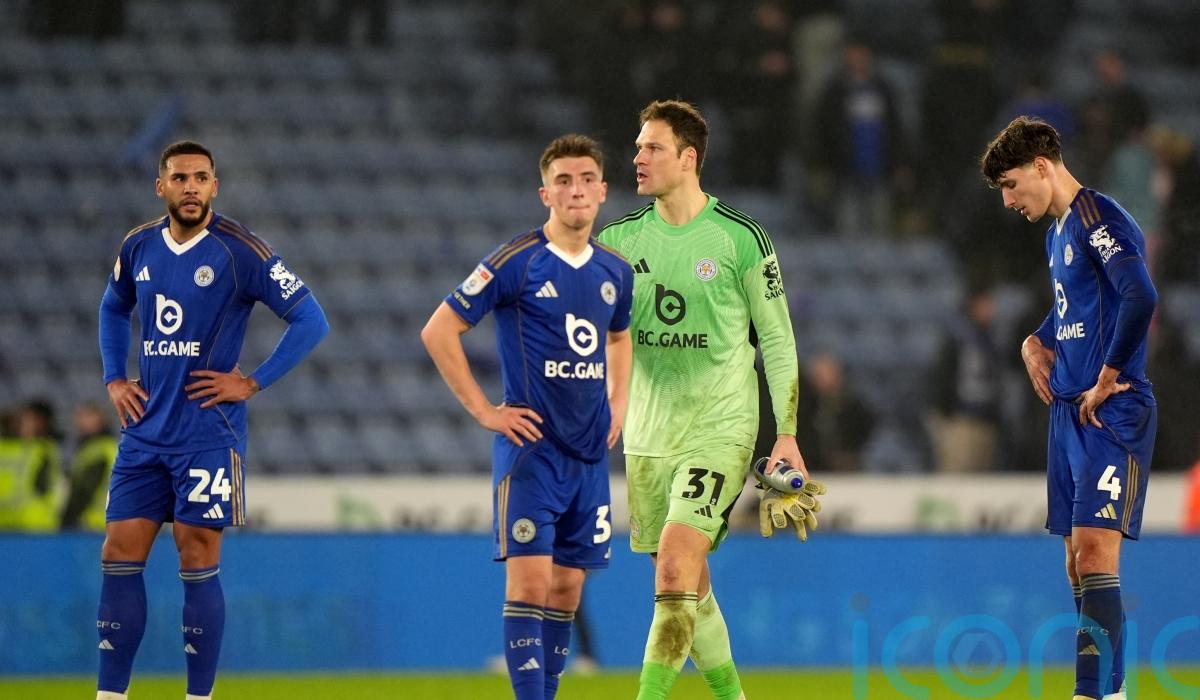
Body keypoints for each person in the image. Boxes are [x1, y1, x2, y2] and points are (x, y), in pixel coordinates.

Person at [96, 141, 329, 700]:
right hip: (145, 430)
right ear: (161, 186)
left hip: (207, 433)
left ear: (214, 187)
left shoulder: (240, 250)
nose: (191, 187)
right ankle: (109, 695)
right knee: (118, 551)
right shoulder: (138, 244)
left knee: (197, 553)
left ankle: (198, 697)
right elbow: (113, 306)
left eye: (201, 178)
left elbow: (310, 319)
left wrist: (252, 382)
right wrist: (114, 378)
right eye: (180, 178)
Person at [598, 100, 807, 700]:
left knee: (673, 565)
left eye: (653, 148)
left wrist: (786, 434)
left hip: (721, 426)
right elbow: (599, 335)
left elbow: (776, 339)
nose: (637, 158)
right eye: (638, 147)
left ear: (688, 158)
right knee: (688, 584)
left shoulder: (739, 238)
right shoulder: (618, 242)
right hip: (648, 435)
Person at [420, 134, 633, 700]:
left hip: (589, 458)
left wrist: (619, 402)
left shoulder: (616, 270)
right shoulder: (516, 260)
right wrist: (484, 410)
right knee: (531, 584)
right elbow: (439, 330)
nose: (576, 190)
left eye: (586, 179)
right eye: (563, 181)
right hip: (532, 454)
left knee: (566, 591)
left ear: (602, 191)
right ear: (546, 194)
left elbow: (619, 337)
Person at [981, 116, 1158, 700]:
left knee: (1093, 551)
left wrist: (1109, 374)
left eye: (1010, 185)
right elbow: (1072, 310)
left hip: (1111, 411)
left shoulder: (1098, 218)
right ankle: (1113, 692)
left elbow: (1140, 294)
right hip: (1070, 414)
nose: (1008, 201)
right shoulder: (1058, 233)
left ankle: (1088, 693)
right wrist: (1034, 341)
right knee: (1077, 563)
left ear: (1041, 167)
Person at [0, 399, 63, 531]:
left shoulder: (43, 450)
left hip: (31, 523)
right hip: (20, 523)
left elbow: (46, 486)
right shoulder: (41, 450)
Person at [60, 401, 119, 531]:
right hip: (106, 523)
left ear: (101, 419)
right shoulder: (96, 447)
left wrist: (67, 519)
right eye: (79, 416)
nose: (81, 421)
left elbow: (85, 491)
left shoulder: (99, 450)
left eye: (88, 416)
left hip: (93, 525)